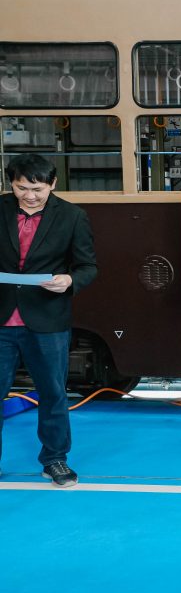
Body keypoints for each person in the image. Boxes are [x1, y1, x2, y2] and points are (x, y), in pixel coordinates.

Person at [0, 154, 97, 487]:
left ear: (52, 184)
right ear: (11, 184)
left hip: (48, 319)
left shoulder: (72, 216)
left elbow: (87, 267)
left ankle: (55, 459)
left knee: (53, 393)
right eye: (21, 188)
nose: (29, 196)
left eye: (37, 189)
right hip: (1, 319)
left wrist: (69, 280)